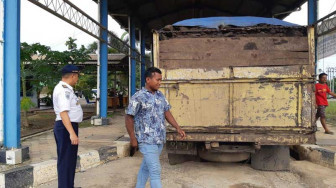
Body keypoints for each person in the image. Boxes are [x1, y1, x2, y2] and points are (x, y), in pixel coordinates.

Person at [125, 67, 186, 188]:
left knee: (146, 168)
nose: (160, 82)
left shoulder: (160, 95)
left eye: (160, 80)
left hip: (159, 139)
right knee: (155, 170)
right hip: (146, 140)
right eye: (157, 80)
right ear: (148, 79)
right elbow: (128, 118)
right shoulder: (138, 96)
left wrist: (177, 128)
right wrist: (133, 138)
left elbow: (167, 112)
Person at [53, 64, 83, 188]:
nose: (77, 79)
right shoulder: (63, 90)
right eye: (77, 76)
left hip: (68, 127)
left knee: (70, 161)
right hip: (66, 128)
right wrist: (72, 133)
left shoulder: (67, 89)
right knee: (66, 162)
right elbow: (63, 113)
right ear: (73, 75)